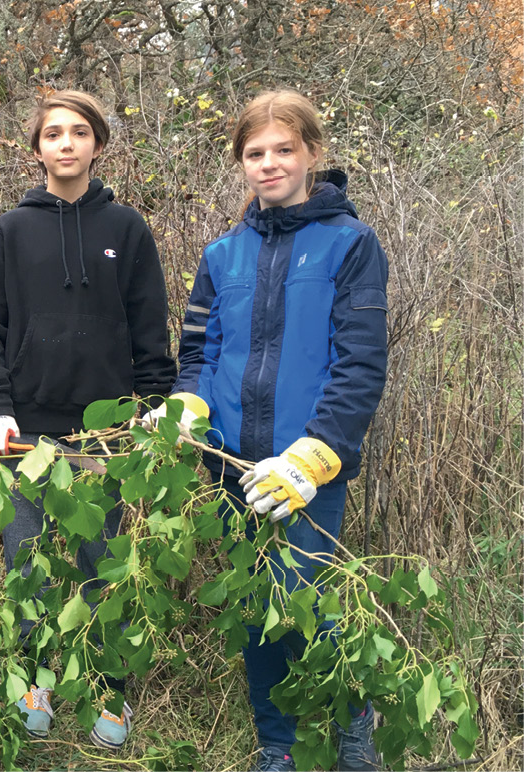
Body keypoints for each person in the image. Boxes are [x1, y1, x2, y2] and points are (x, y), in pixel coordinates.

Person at [146, 89, 388, 771]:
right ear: (240, 163)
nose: (269, 163)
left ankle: (353, 734)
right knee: (255, 611)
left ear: (312, 152)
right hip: (229, 467)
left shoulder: (349, 244)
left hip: (305, 471)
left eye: (284, 150)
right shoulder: (221, 254)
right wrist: (186, 406)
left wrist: (315, 456)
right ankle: (275, 748)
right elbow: (196, 350)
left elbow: (360, 363)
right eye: (255, 153)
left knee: (304, 601)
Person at [0, 89, 176, 749]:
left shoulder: (126, 229)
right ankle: (36, 680)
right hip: (26, 431)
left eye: (78, 132)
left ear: (97, 144)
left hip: (105, 434)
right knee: (25, 563)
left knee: (101, 563)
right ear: (36, 148)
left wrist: (149, 406)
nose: (65, 143)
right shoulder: (9, 231)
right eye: (52, 133)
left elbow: (149, 326)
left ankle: (112, 690)